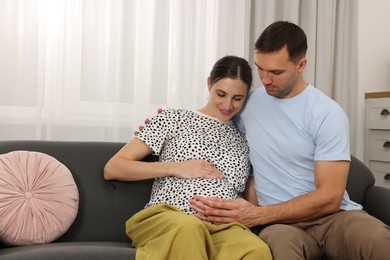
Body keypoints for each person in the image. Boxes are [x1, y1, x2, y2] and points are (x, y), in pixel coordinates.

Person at [188, 21, 390, 259]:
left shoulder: (327, 113)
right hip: (280, 226)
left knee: (377, 240)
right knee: (282, 247)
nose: (265, 79)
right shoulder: (249, 103)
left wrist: (257, 215)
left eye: (276, 72)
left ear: (301, 65)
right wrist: (168, 123)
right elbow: (213, 120)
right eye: (260, 68)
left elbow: (331, 196)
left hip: (334, 218)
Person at [104, 55, 272, 260]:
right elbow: (114, 167)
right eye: (221, 94)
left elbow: (251, 199)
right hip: (173, 217)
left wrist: (248, 210)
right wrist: (177, 167)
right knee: (190, 229)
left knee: (257, 250)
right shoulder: (173, 118)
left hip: (224, 228)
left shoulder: (246, 140)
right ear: (209, 84)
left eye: (238, 98)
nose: (228, 105)